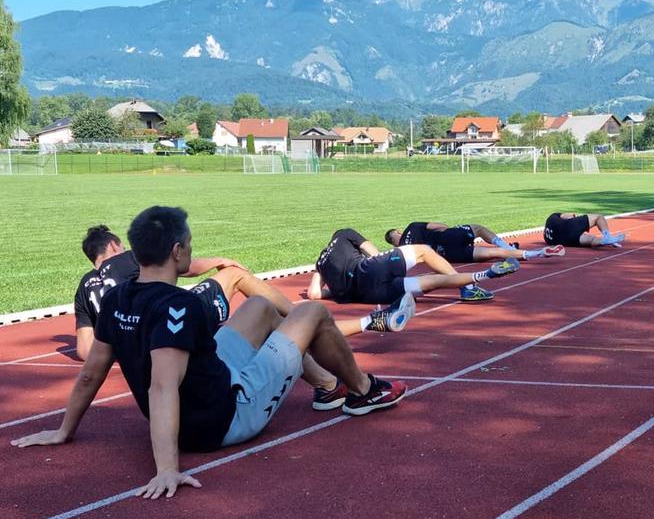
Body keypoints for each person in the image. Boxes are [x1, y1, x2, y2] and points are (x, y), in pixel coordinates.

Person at [12, 206, 405, 500]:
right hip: (226, 416)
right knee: (313, 312)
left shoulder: (117, 298)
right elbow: (163, 387)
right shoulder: (179, 307)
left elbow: (90, 373)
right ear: (179, 252)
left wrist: (65, 430)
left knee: (262, 309)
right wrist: (167, 468)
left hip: (209, 383)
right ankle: (363, 390)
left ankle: (326, 386)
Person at [73, 225, 408, 362]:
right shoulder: (129, 256)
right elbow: (184, 266)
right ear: (114, 245)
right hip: (174, 325)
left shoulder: (85, 289)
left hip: (147, 347)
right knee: (248, 290)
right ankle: (304, 314)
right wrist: (220, 261)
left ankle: (368, 322)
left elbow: (85, 350)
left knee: (263, 326)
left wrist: (129, 345)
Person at [308, 228, 519, 305]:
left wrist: (336, 291)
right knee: (423, 250)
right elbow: (373, 254)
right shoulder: (345, 234)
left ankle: (485, 274)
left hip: (363, 295)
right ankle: (469, 287)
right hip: (370, 269)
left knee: (426, 284)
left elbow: (314, 294)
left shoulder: (320, 264)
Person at [385, 222, 565, 263]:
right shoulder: (413, 226)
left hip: (448, 255)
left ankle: (535, 254)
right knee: (478, 228)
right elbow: (439, 226)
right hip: (448, 237)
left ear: (394, 243)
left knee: (494, 255)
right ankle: (508, 246)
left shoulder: (403, 250)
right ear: (398, 232)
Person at [543, 212, 626, 248]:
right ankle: (607, 236)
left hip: (565, 240)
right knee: (598, 217)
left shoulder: (547, 239)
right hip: (569, 226)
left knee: (591, 240)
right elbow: (568, 216)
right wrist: (575, 217)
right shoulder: (553, 216)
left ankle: (603, 241)